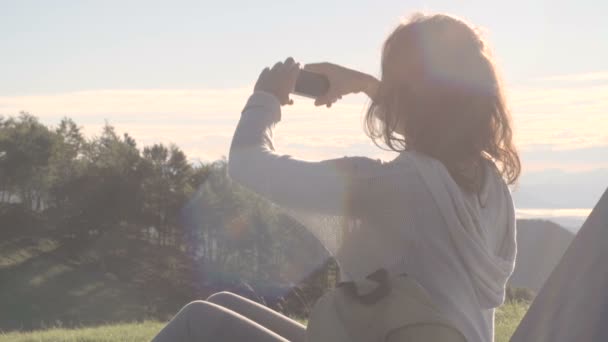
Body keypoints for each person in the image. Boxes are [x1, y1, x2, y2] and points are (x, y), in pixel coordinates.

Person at [152, 12, 519, 342]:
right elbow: (429, 112)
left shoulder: (391, 185)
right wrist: (363, 83)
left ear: (404, 93)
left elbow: (247, 164)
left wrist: (266, 98)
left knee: (198, 322)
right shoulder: (492, 186)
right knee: (223, 304)